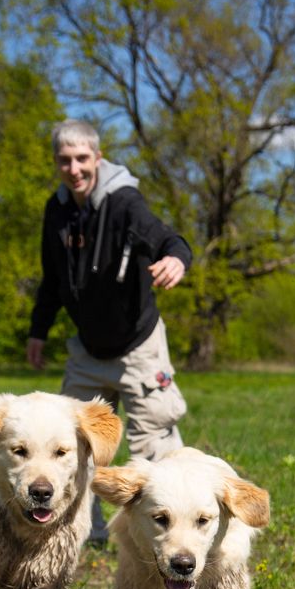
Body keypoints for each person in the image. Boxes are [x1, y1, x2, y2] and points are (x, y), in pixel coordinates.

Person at [27, 118, 191, 544]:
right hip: (88, 349)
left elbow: (165, 237)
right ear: (56, 163)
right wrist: (38, 331)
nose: (74, 168)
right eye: (65, 160)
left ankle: (170, 528)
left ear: (97, 158)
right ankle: (87, 529)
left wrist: (176, 259)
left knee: (154, 441)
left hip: (139, 345)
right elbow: (51, 278)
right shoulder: (57, 211)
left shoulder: (124, 203)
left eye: (82, 158)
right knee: (71, 443)